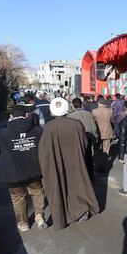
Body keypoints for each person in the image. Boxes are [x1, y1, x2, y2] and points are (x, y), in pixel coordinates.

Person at [38, 97, 99, 230]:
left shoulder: (49, 127)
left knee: (61, 187)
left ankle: (64, 213)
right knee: (78, 185)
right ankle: (82, 210)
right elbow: (84, 142)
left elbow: (44, 150)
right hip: (76, 161)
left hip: (57, 163)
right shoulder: (76, 124)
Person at [0, 104, 47, 232]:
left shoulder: (2, 133)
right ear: (26, 115)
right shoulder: (38, 131)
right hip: (34, 171)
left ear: (11, 117)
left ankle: (23, 223)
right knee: (37, 191)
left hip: (13, 174)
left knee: (18, 197)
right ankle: (39, 215)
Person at [68, 98, 98, 180]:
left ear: (73, 106)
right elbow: (94, 127)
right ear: (81, 105)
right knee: (88, 158)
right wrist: (95, 138)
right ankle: (90, 177)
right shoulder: (88, 114)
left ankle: (80, 178)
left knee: (78, 158)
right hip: (88, 138)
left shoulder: (70, 116)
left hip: (76, 139)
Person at [92, 98, 114, 173]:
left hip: (97, 132)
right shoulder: (110, 111)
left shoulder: (94, 111)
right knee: (106, 149)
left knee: (96, 149)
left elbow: (92, 122)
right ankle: (104, 165)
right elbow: (112, 120)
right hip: (107, 132)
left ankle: (98, 166)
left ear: (99, 103)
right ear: (106, 104)